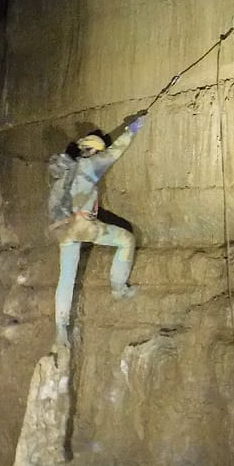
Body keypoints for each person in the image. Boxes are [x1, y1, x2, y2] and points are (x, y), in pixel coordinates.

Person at [51, 114, 147, 348]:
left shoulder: (62, 168)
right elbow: (115, 153)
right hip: (82, 225)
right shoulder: (89, 165)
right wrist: (132, 130)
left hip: (61, 229)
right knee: (126, 239)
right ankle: (118, 288)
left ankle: (61, 330)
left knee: (66, 279)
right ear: (93, 151)